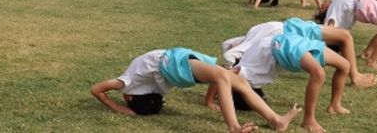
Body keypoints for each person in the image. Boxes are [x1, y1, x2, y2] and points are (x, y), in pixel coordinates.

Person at [216, 18, 376, 133]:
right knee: (330, 70)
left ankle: (334, 106)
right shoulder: (249, 75)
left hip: (279, 42)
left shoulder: (244, 72)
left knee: (341, 67)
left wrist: (209, 100)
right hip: (283, 43)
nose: (260, 96)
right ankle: (309, 119)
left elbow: (222, 75)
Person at [90, 47, 301, 132]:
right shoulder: (128, 82)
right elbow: (96, 89)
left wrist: (119, 107)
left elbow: (97, 91)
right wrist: (118, 107)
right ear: (129, 98)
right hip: (173, 63)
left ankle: (276, 120)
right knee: (223, 78)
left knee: (239, 83)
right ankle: (234, 127)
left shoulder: (136, 88)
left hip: (179, 69)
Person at [316, 0, 377, 70]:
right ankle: (372, 61)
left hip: (353, 2)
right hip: (354, 2)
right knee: (330, 30)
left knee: (333, 31)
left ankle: (368, 54)